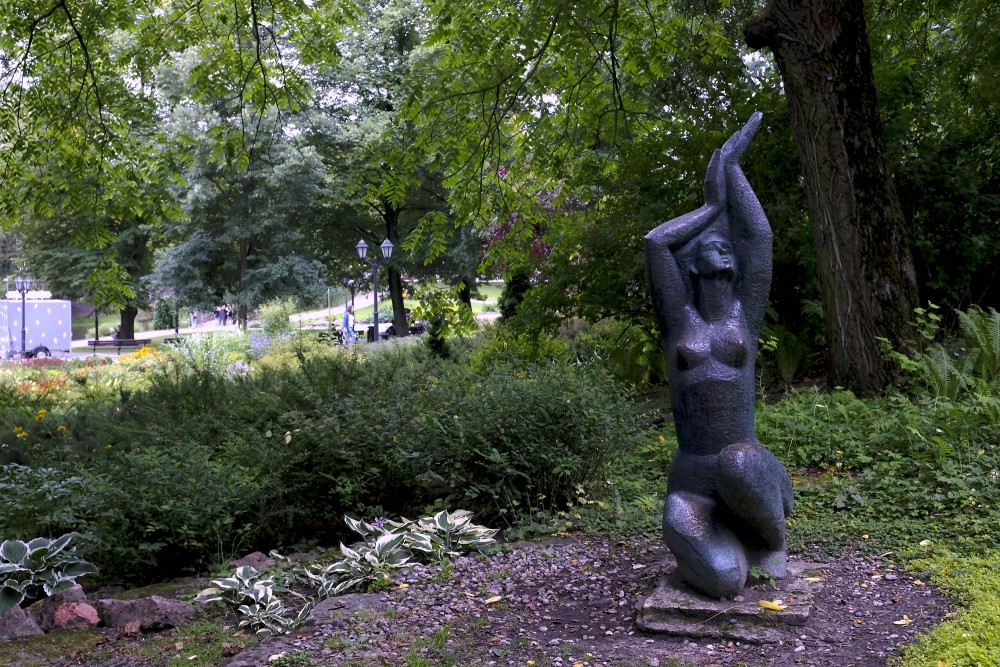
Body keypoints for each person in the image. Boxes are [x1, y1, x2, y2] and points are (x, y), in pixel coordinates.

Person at [644, 113, 793, 599]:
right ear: (692, 263)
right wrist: (712, 206)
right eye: (713, 247)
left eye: (729, 248)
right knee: (725, 582)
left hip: (742, 464)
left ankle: (771, 540)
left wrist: (731, 165)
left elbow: (760, 238)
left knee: (738, 462)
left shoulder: (742, 316)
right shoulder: (677, 321)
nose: (726, 251)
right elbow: (656, 242)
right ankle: (729, 548)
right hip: (692, 482)